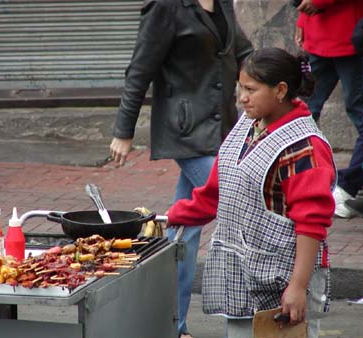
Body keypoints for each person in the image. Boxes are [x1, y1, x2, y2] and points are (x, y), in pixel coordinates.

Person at [167, 47, 336, 338]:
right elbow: (216, 191)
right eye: (239, 87)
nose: (241, 97)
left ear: (280, 90)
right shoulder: (248, 123)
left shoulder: (304, 146)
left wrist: (297, 287)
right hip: (243, 276)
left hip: (282, 281)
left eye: (250, 89)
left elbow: (312, 224)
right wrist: (169, 217)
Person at [109, 0, 253, 336]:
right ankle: (249, 314)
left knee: (183, 232)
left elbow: (243, 52)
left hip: (220, 128)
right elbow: (139, 69)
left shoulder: (222, 4)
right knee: (234, 202)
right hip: (185, 130)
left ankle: (171, 324)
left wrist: (273, 81)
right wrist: (123, 131)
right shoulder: (166, 7)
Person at [294, 0, 363, 218]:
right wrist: (304, 19)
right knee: (301, 111)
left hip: (350, 36)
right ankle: (298, 180)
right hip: (322, 32)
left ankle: (345, 187)